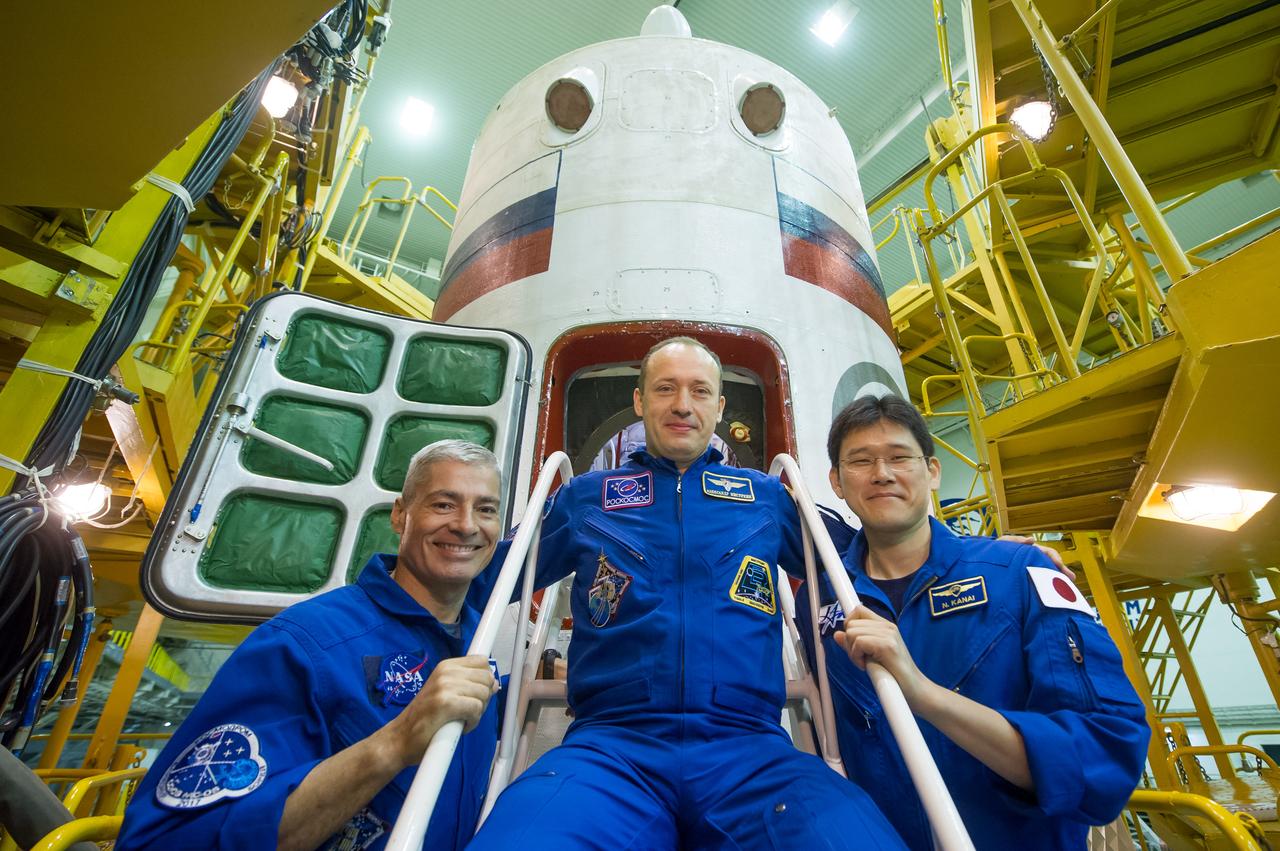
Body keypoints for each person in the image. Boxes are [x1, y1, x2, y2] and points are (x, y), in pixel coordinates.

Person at [471, 337, 906, 850]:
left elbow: (866, 558)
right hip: (611, 747)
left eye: (700, 391)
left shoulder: (766, 498)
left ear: (719, 407)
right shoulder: (585, 498)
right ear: (639, 402)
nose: (682, 404)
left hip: (751, 751)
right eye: (665, 389)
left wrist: (968, 556)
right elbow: (494, 576)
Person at [796, 395, 1149, 850]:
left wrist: (922, 693)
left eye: (900, 457)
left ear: (933, 472)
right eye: (861, 461)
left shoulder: (1019, 574)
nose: (882, 473)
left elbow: (1106, 755)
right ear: (836, 482)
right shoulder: (819, 603)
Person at [116, 440, 505, 851]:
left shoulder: (475, 639)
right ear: (400, 514)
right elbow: (164, 842)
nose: (466, 525)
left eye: (486, 509)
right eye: (443, 504)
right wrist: (394, 743)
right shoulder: (305, 644)